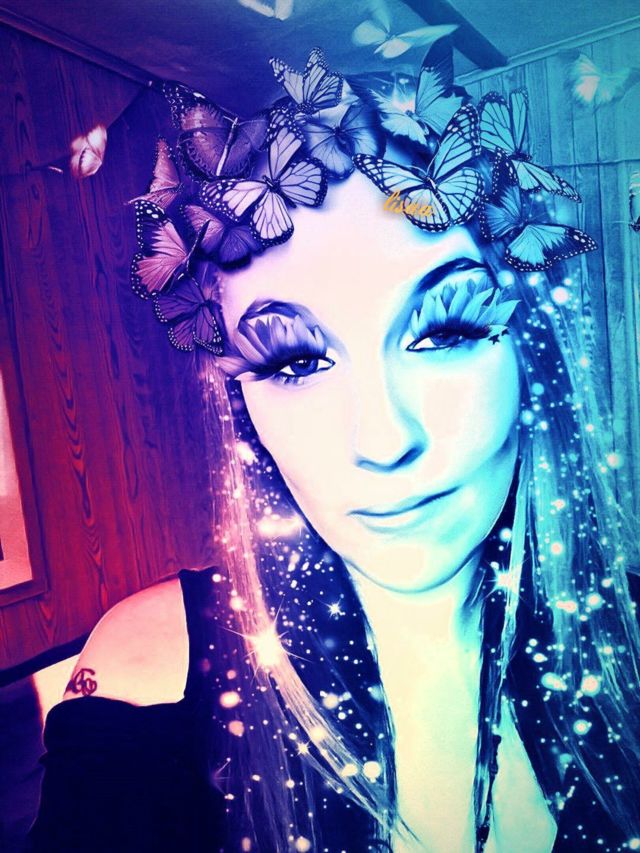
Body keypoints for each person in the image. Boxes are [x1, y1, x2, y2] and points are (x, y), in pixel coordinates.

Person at [26, 44, 640, 853]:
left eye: (445, 331)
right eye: (295, 361)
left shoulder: (626, 645)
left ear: (530, 355)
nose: (382, 439)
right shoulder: (149, 675)